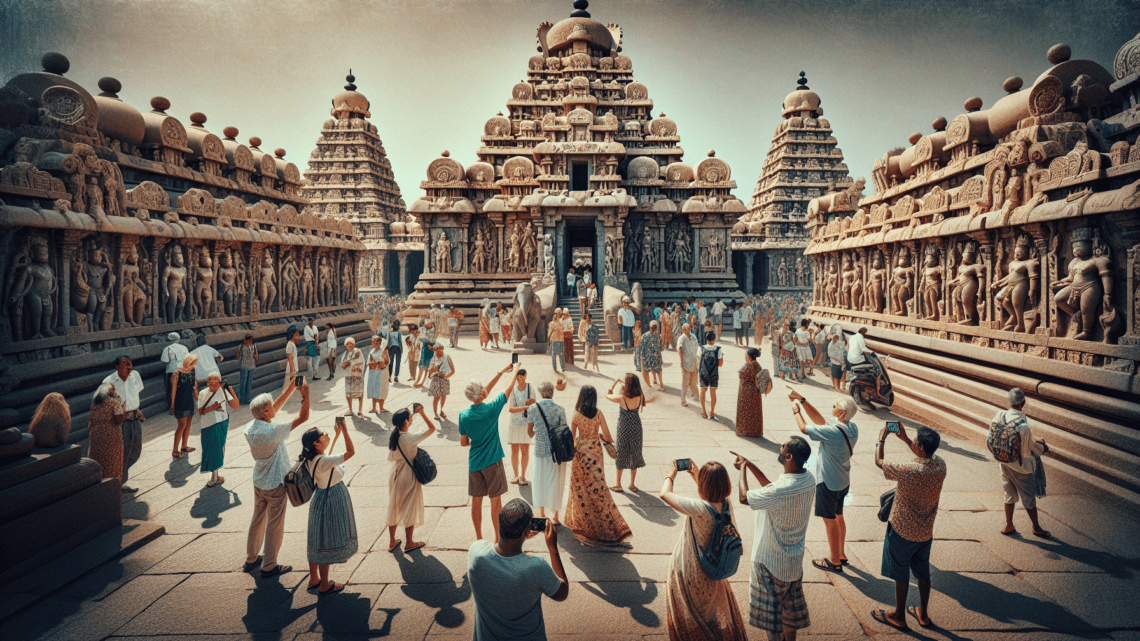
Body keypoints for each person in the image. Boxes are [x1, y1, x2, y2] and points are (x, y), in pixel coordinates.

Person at [734, 438, 816, 641]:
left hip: (768, 564)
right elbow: (771, 488)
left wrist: (743, 469)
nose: (780, 448)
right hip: (793, 564)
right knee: (789, 617)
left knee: (773, 624)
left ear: (788, 457)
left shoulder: (779, 491)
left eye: (783, 446)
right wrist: (751, 465)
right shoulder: (809, 479)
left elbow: (744, 498)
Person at [660, 459, 747, 640]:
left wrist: (672, 474)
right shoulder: (725, 504)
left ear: (705, 485)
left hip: (693, 571)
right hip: (714, 569)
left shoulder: (698, 508)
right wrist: (697, 473)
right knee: (709, 614)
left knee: (693, 617)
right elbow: (713, 490)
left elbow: (665, 494)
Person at [873, 423, 945, 631]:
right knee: (923, 572)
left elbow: (879, 462)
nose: (913, 442)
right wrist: (904, 438)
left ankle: (898, 615)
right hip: (925, 532)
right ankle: (923, 613)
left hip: (902, 531)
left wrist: (881, 438)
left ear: (921, 447)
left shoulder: (909, 470)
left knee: (900, 572)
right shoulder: (940, 465)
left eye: (915, 440)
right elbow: (922, 455)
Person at [468, 498, 569, 640]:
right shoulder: (536, 566)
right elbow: (562, 593)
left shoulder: (476, 551)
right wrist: (553, 549)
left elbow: (499, 549)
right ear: (527, 530)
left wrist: (521, 537)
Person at [243, 379, 310, 579]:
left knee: (257, 519)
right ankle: (269, 565)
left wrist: (290, 389)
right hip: (275, 484)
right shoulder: (272, 431)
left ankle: (251, 558)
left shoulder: (251, 427)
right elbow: (303, 417)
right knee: (274, 524)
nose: (274, 408)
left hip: (259, 481)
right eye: (270, 407)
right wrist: (305, 395)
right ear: (265, 412)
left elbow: (273, 410)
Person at [789, 392, 858, 573]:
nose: (832, 408)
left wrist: (796, 411)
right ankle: (841, 554)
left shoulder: (833, 432)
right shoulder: (851, 428)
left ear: (842, 413)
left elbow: (805, 428)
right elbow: (820, 420)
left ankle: (834, 561)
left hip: (828, 482)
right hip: (843, 481)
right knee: (839, 517)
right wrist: (803, 400)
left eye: (834, 406)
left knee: (830, 522)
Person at [564, 385, 631, 547]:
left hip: (581, 454)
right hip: (595, 454)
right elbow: (608, 436)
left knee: (580, 489)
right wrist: (600, 435)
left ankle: (584, 524)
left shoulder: (576, 414)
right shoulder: (599, 413)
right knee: (599, 488)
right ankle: (606, 525)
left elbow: (572, 439)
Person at [459, 363, 519, 542]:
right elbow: (507, 391)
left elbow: (464, 443)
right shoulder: (491, 410)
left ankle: (478, 538)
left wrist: (501, 372)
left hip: (475, 463)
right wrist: (515, 371)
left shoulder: (464, 415)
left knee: (476, 502)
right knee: (496, 502)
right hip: (492, 461)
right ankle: (497, 539)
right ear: (480, 393)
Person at [299, 419, 357, 595]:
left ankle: (314, 578)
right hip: (331, 497)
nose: (326, 434)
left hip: (320, 499)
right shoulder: (322, 460)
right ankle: (324, 584)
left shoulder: (312, 459)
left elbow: (326, 461)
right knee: (327, 541)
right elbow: (350, 452)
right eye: (323, 433)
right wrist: (345, 430)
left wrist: (337, 434)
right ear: (316, 443)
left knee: (317, 539)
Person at [995, 388, 1051, 538]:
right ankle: (1036, 527)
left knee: (1009, 494)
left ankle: (1008, 525)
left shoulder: (1000, 416)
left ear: (1010, 402)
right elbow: (1027, 451)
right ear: (1023, 402)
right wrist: (1042, 448)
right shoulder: (1024, 426)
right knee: (1028, 497)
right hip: (1020, 467)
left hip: (1003, 462)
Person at [387, 405, 437, 552]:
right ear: (406, 422)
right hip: (408, 475)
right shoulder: (409, 438)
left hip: (395, 473)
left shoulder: (394, 436)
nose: (412, 418)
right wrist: (423, 413)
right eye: (410, 417)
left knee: (394, 506)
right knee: (409, 506)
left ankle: (391, 541)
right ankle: (409, 542)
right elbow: (432, 428)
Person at [527, 381, 569, 524]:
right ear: (552, 392)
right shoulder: (560, 409)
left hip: (540, 450)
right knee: (555, 482)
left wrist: (539, 430)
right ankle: (556, 516)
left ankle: (543, 513)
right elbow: (564, 431)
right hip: (556, 452)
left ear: (540, 393)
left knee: (540, 481)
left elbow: (529, 433)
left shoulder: (532, 408)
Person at [102, 355, 145, 492]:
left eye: (130, 364)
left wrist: (136, 409)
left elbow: (135, 395)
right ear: (117, 367)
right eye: (124, 365)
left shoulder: (135, 375)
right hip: (120, 422)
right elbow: (104, 403)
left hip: (135, 419)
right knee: (122, 452)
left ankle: (117, 479)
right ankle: (118, 483)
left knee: (136, 451)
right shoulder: (109, 381)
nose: (128, 368)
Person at [606, 373, 654, 493]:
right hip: (636, 428)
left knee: (621, 453)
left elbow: (608, 396)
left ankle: (618, 484)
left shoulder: (621, 398)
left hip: (623, 428)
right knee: (635, 453)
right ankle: (632, 484)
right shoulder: (640, 396)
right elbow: (646, 401)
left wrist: (613, 386)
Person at [198, 372, 239, 487]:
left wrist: (230, 389)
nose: (213, 386)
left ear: (219, 383)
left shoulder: (224, 390)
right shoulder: (203, 393)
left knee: (220, 447)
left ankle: (216, 475)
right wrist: (214, 407)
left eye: (215, 383)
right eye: (210, 383)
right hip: (208, 424)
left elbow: (235, 405)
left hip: (222, 421)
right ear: (207, 383)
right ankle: (214, 476)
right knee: (211, 449)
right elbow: (201, 411)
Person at [87, 385, 126, 482]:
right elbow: (119, 419)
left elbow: (90, 423)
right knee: (112, 462)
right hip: (111, 434)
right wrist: (123, 408)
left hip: (95, 434)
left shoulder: (95, 403)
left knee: (98, 460)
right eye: (113, 389)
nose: (114, 391)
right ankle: (113, 486)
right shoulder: (115, 401)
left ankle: (98, 484)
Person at [506, 368, 537, 486]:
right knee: (514, 450)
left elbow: (534, 404)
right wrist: (525, 407)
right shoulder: (513, 390)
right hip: (514, 423)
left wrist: (532, 402)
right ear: (516, 378)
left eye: (522, 377)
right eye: (518, 378)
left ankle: (523, 476)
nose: (520, 380)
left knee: (525, 450)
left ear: (526, 376)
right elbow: (510, 409)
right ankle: (515, 475)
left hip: (525, 423)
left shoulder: (530, 388)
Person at [169, 354, 199, 460]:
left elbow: (195, 387)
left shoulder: (192, 371)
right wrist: (172, 405)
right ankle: (175, 449)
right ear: (188, 362)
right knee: (181, 425)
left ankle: (184, 446)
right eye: (193, 362)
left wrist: (199, 401)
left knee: (188, 424)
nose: (194, 364)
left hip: (189, 401)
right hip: (180, 402)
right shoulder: (177, 373)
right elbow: (173, 390)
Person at [737, 347, 770, 438]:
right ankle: (754, 431)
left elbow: (743, 374)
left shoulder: (750, 365)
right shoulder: (757, 364)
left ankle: (745, 431)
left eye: (746, 354)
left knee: (745, 411)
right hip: (754, 392)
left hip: (747, 392)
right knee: (754, 412)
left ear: (749, 356)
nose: (745, 355)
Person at [698, 331, 723, 420]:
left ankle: (704, 411)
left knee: (703, 392)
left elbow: (699, 358)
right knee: (713, 393)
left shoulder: (701, 348)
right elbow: (720, 364)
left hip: (704, 374)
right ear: (714, 339)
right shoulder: (718, 349)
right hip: (714, 374)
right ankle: (712, 412)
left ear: (707, 339)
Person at [427, 343, 456, 419]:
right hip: (436, 380)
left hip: (444, 380)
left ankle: (441, 411)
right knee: (436, 398)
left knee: (443, 397)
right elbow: (430, 374)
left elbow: (453, 370)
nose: (441, 353)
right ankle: (435, 413)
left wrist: (445, 376)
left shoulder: (447, 357)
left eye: (442, 351)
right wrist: (434, 372)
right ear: (435, 351)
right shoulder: (433, 359)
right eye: (439, 352)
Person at [160, 332, 188, 410]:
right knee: (183, 387)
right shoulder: (184, 347)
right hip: (183, 369)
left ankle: (173, 405)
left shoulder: (168, 348)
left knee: (172, 388)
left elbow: (165, 360)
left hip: (172, 370)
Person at [340, 336, 365, 417]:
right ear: (345, 345)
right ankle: (350, 410)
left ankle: (360, 410)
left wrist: (349, 363)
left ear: (354, 344)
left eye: (351, 343)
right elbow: (342, 364)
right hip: (348, 376)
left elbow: (360, 360)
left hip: (357, 375)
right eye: (348, 343)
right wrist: (344, 364)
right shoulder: (344, 354)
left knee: (359, 393)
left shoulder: (357, 351)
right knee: (348, 394)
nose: (349, 344)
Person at [677, 323, 700, 408]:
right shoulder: (681, 338)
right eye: (687, 329)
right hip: (686, 363)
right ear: (684, 329)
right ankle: (683, 400)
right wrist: (681, 362)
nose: (689, 330)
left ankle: (697, 397)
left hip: (694, 362)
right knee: (685, 383)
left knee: (693, 382)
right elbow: (679, 348)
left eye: (689, 329)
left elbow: (697, 346)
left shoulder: (693, 336)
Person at [366, 335, 390, 414]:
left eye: (377, 343)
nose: (376, 345)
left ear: (380, 344)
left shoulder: (383, 352)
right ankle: (374, 408)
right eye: (374, 343)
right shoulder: (371, 352)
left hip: (382, 373)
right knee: (374, 389)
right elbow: (369, 363)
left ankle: (381, 408)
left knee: (382, 389)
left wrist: (381, 364)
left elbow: (387, 361)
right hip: (373, 373)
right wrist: (374, 363)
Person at [641, 320, 664, 391]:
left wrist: (642, 356)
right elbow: (661, 348)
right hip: (654, 355)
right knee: (657, 369)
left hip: (650, 356)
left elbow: (642, 348)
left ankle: (656, 383)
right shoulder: (658, 336)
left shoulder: (645, 335)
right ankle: (656, 381)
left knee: (653, 369)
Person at [236, 333, 259, 404]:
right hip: (244, 367)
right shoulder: (242, 346)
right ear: (246, 340)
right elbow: (237, 356)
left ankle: (247, 399)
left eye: (251, 340)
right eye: (249, 339)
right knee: (243, 383)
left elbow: (256, 354)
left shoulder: (253, 346)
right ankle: (242, 399)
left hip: (251, 366)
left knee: (249, 383)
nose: (250, 341)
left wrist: (256, 360)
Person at [414, 322, 436, 388]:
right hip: (425, 347)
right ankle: (417, 381)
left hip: (429, 346)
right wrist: (417, 344)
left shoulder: (433, 330)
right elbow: (419, 336)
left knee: (427, 365)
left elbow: (430, 340)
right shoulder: (423, 329)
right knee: (422, 364)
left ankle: (422, 382)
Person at [282, 325, 301, 394]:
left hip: (294, 370)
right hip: (290, 370)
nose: (298, 335)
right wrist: (292, 372)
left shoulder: (292, 344)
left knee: (295, 388)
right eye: (296, 334)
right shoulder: (289, 345)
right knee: (286, 390)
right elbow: (290, 359)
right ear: (292, 335)